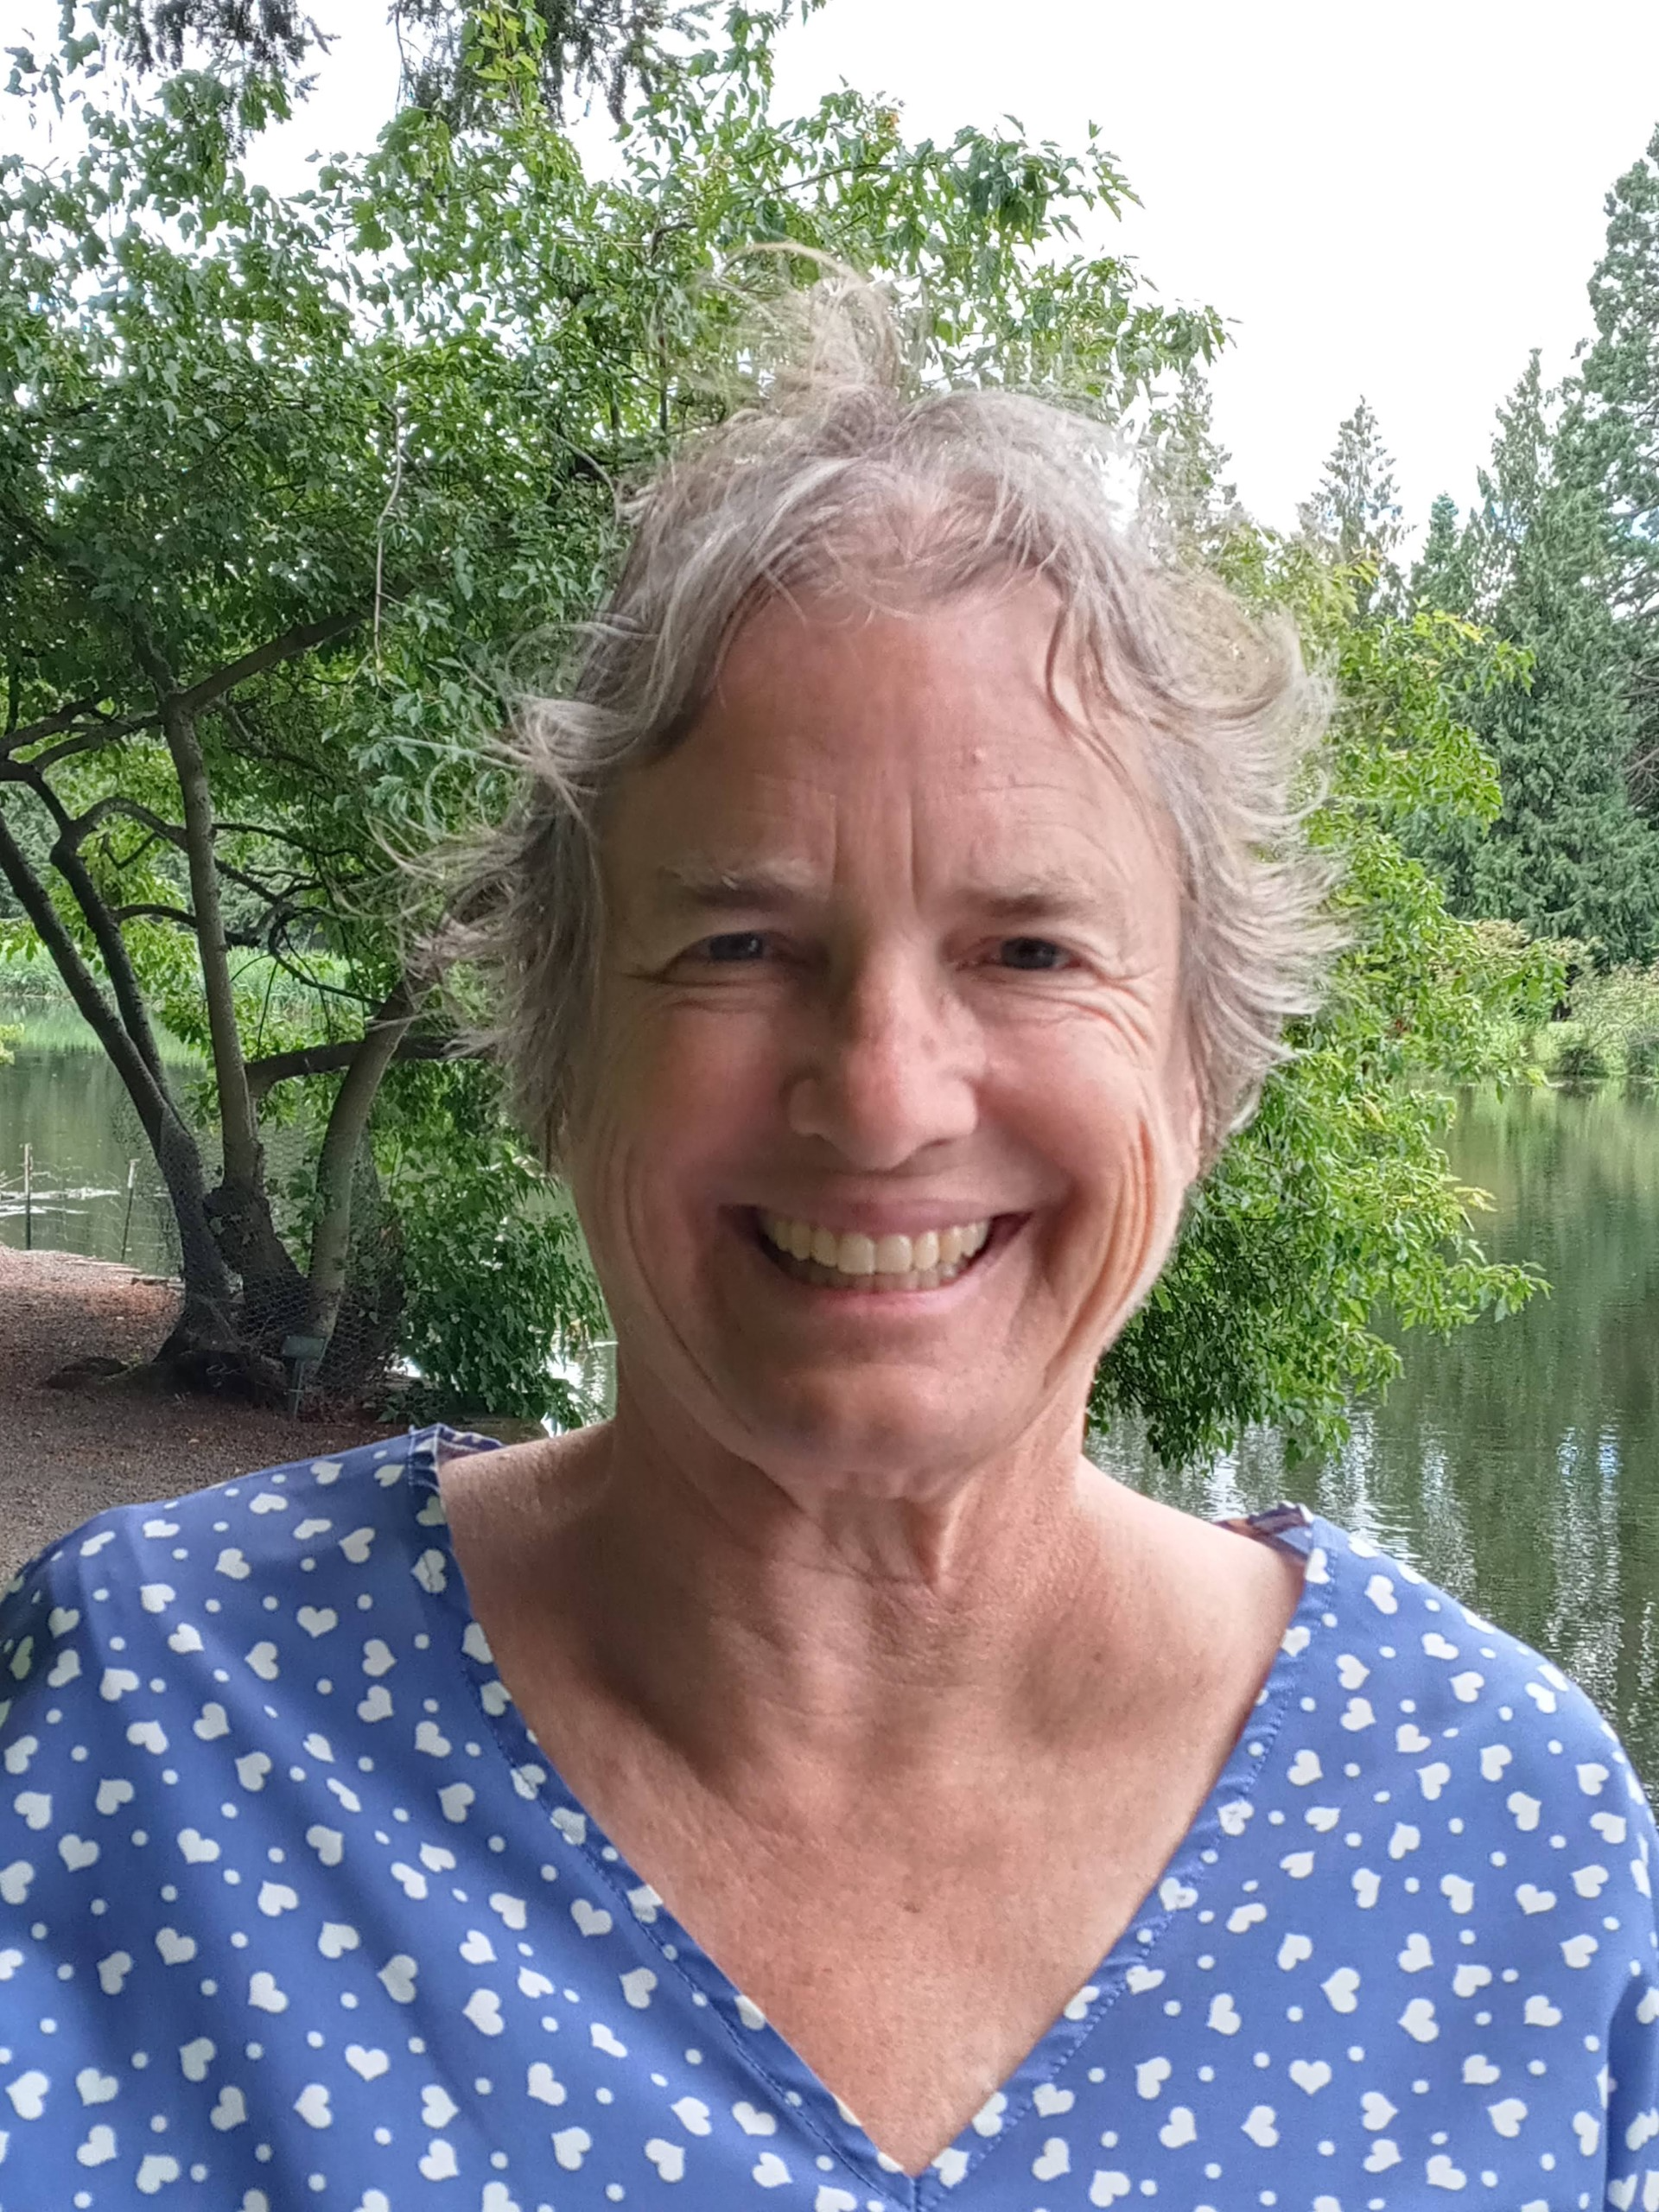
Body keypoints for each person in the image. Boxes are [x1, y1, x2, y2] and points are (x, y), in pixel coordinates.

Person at [3, 292, 1656, 2212]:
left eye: (1031, 946)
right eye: (737, 943)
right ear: (555, 1046)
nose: (881, 1096)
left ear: (1203, 1065)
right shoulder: (149, 1723)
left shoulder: (1500, 1832)